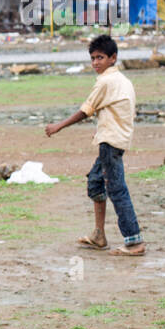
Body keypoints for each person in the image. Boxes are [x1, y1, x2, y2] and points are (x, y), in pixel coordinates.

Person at [45, 34, 145, 256]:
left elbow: (86, 109)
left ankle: (134, 242)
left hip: (111, 142)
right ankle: (99, 235)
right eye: (92, 58)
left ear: (113, 58)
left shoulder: (107, 81)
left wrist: (59, 126)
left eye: (100, 57)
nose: (95, 63)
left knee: (117, 189)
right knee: (95, 183)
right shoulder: (122, 80)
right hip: (114, 139)